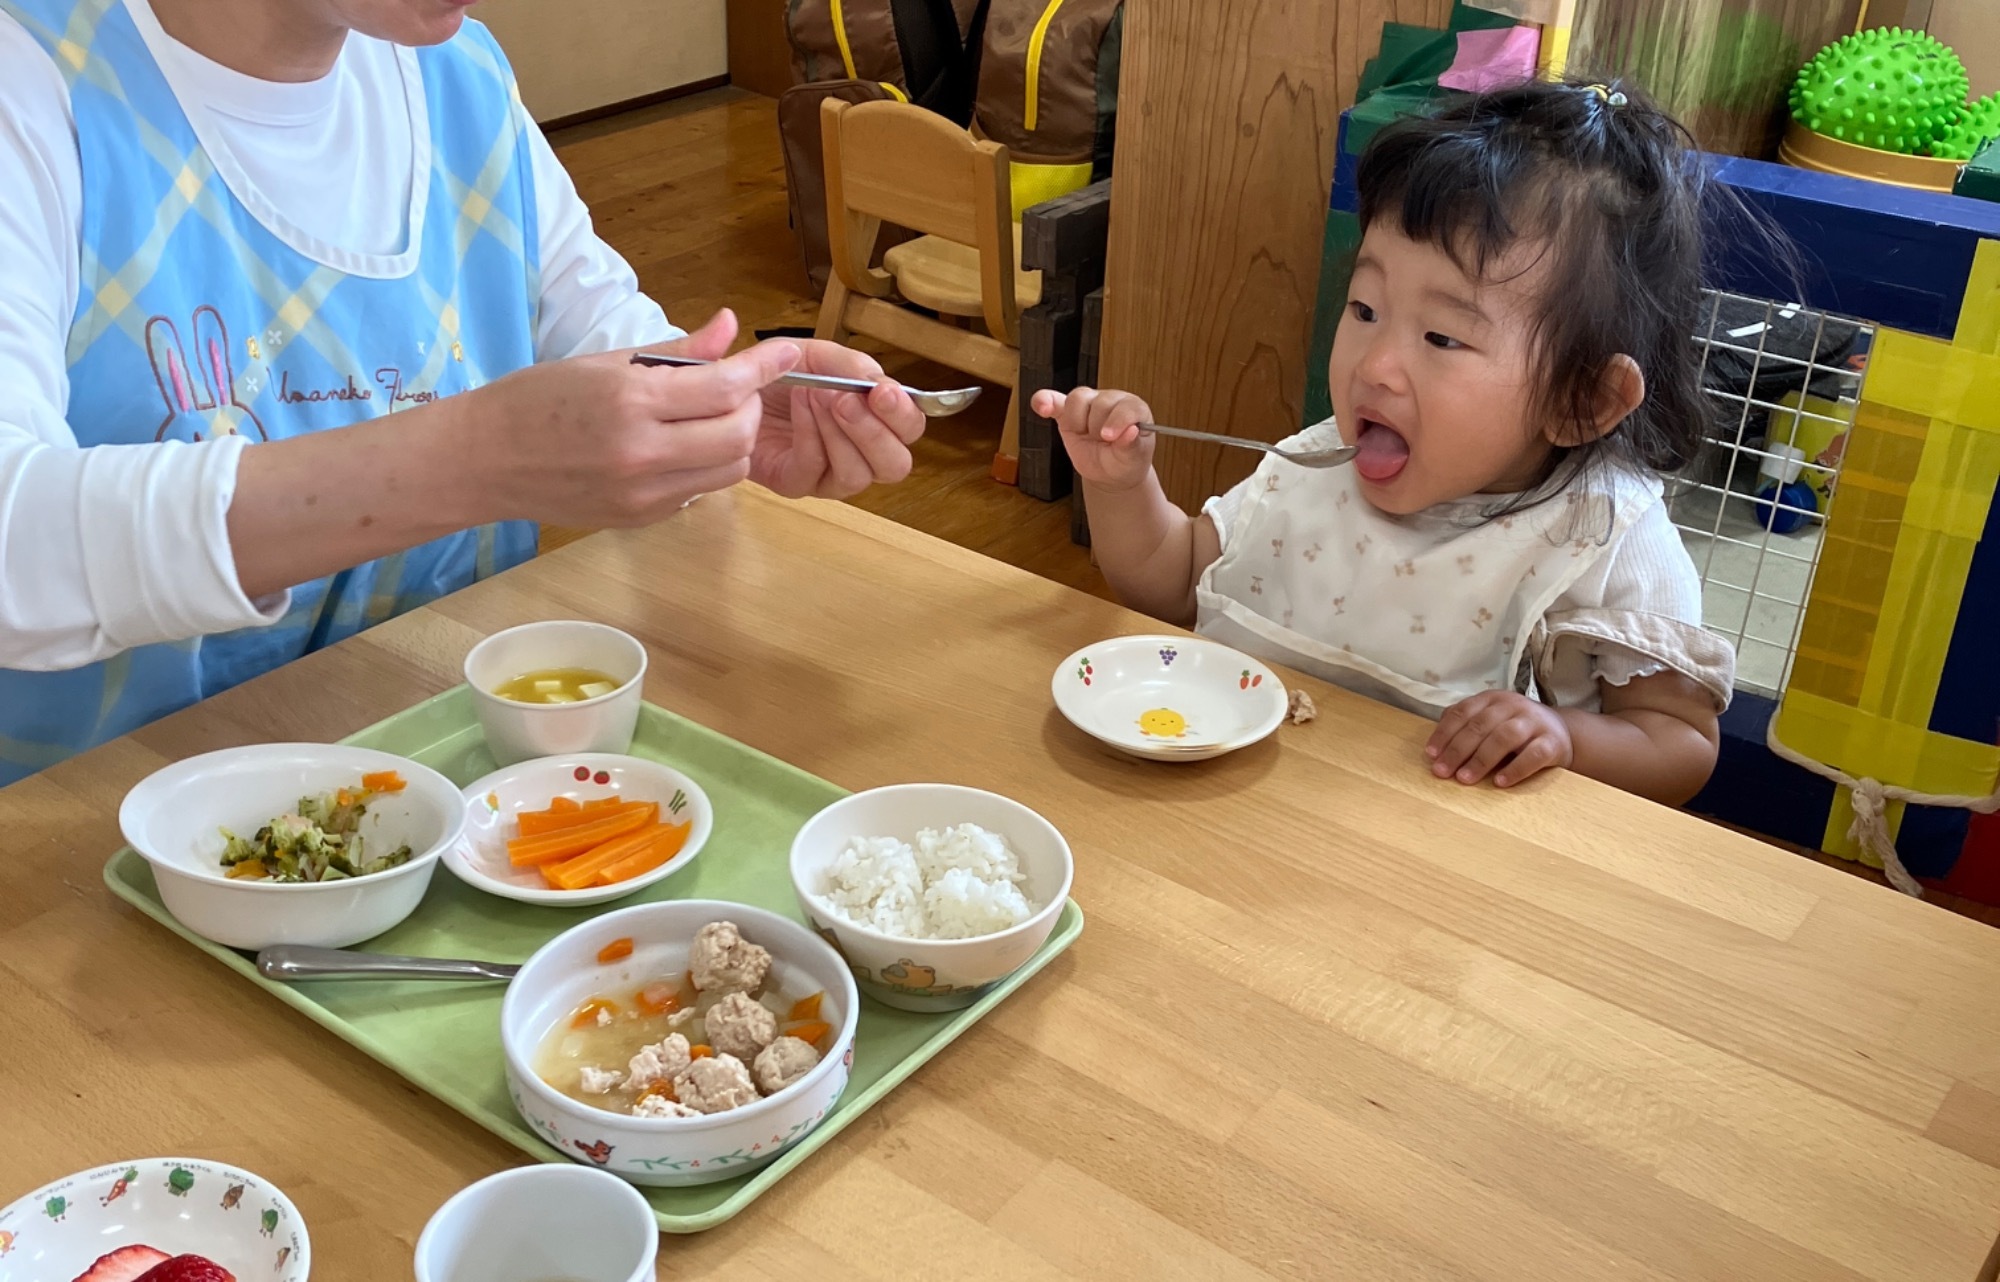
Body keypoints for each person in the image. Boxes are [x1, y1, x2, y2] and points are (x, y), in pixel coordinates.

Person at [0, 0, 928, 785]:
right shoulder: (38, 80)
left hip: (450, 791)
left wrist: (712, 408)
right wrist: (472, 458)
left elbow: (600, 322)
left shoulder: (457, 76)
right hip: (101, 853)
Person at [1037, 79, 1735, 804]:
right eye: (1365, 309)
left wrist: (1563, 737)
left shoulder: (1609, 538)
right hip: (1252, 820)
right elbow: (1172, 584)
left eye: (1441, 336)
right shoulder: (1314, 465)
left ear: (1581, 399)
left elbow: (1678, 745)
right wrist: (1121, 487)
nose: (1373, 366)